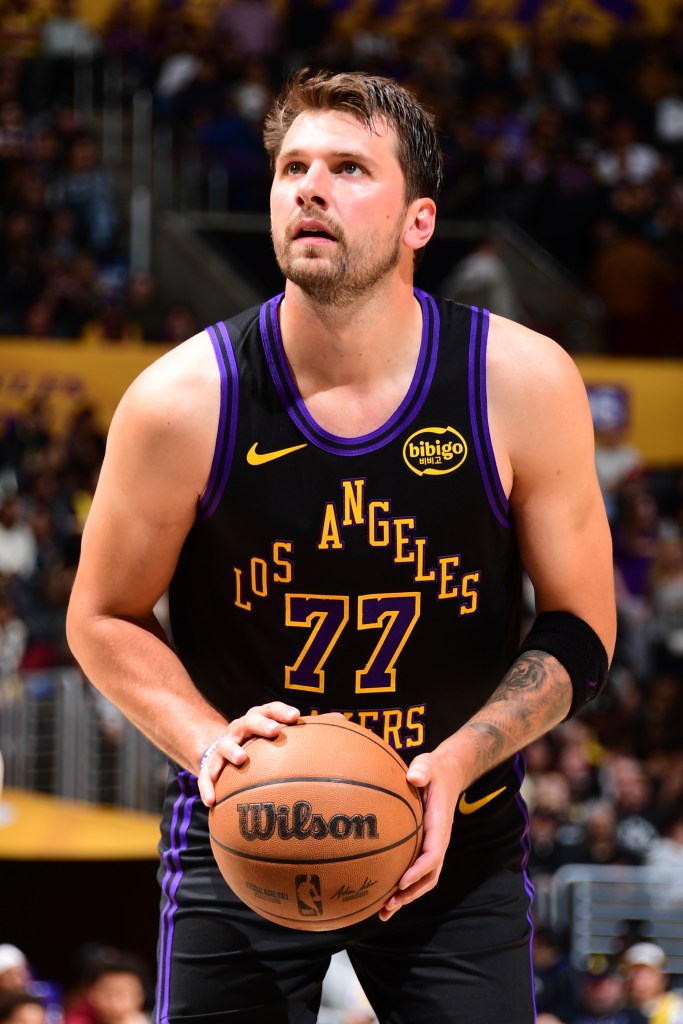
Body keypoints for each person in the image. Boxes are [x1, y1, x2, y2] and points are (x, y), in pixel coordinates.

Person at [66, 69, 616, 1023]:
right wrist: (212, 748)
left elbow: (579, 627)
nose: (309, 187)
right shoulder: (180, 400)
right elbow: (100, 617)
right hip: (247, 833)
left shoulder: (520, 382)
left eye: (350, 168)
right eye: (292, 167)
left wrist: (457, 762)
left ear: (419, 221)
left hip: (458, 834)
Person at [622, 942, 683, 1024]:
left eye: (647, 973)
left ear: (662, 977)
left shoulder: (676, 1010)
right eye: (635, 973)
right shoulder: (621, 1012)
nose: (639, 980)